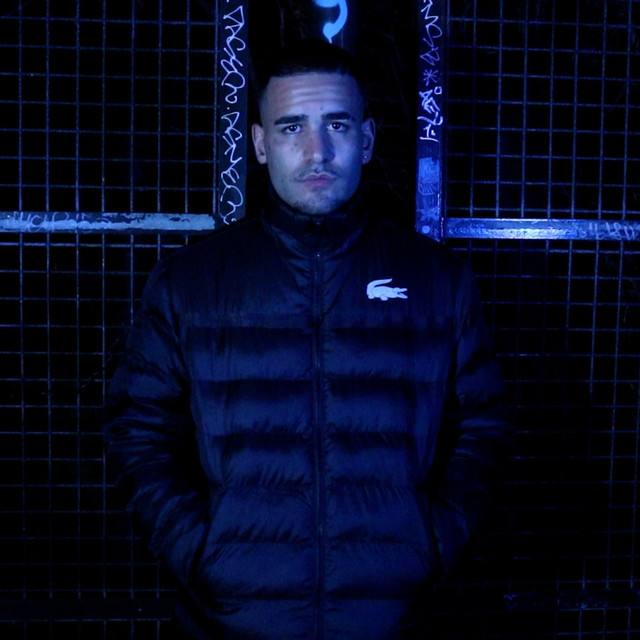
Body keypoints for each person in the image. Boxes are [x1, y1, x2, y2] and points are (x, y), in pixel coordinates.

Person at [105, 39, 510, 640]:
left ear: (366, 140)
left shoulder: (436, 280)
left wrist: (433, 543)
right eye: (291, 127)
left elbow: (486, 424)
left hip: (396, 621)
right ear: (260, 144)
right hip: (234, 623)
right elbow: (138, 430)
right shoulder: (191, 282)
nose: (317, 151)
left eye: (337, 125)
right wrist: (201, 552)